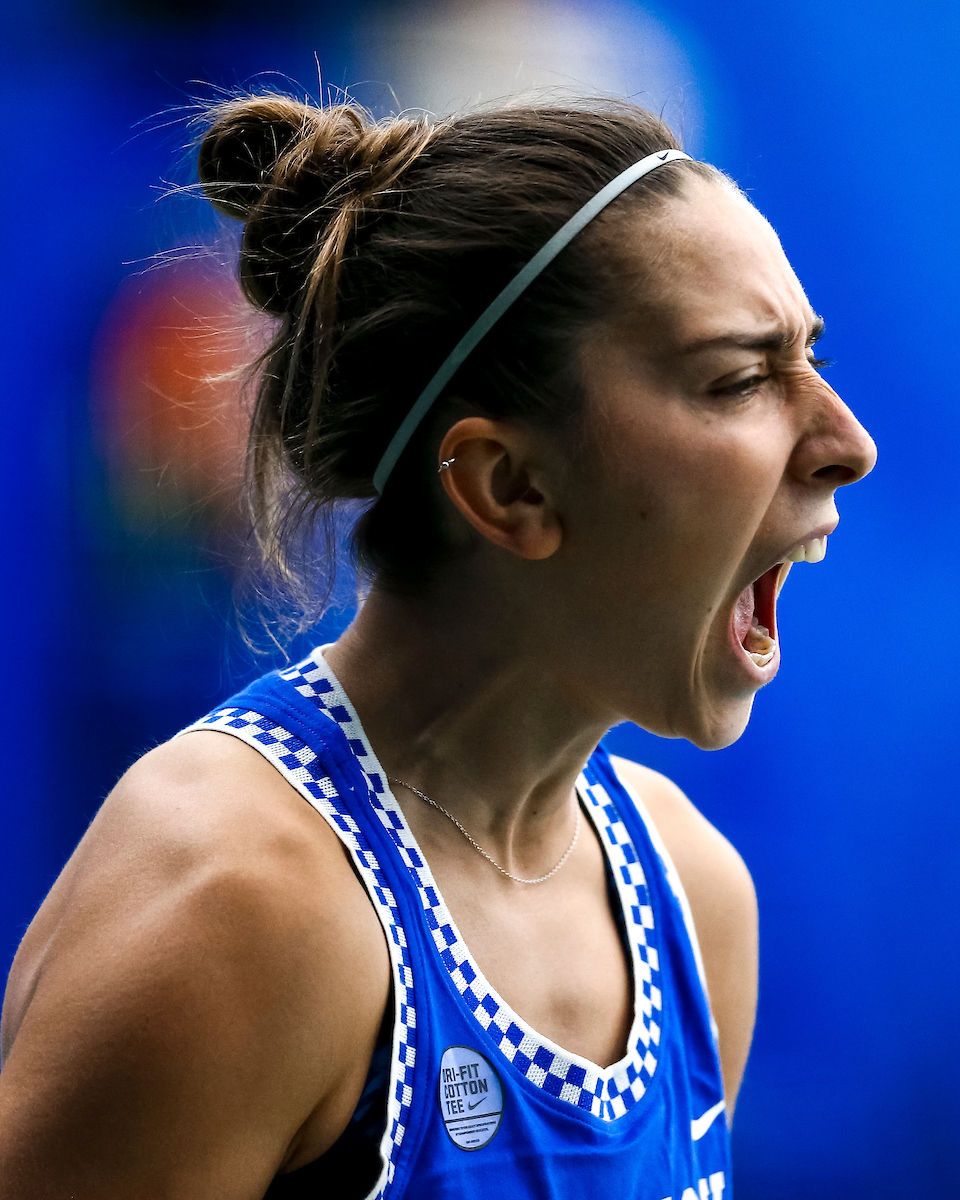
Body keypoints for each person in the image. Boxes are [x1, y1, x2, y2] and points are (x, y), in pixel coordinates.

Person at [0, 93, 876, 1200]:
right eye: (742, 378)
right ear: (509, 485)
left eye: (812, 357)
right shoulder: (239, 904)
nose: (851, 442)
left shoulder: (694, 900)